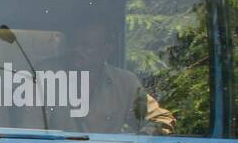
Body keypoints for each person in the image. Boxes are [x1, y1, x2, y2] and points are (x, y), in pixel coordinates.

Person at [46, 21, 175, 136]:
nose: (77, 50)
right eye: (74, 44)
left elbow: (161, 118)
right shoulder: (45, 74)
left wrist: (142, 139)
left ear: (106, 50)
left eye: (86, 46)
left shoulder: (124, 83)